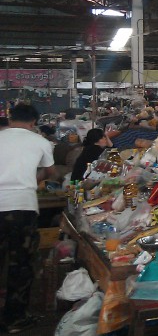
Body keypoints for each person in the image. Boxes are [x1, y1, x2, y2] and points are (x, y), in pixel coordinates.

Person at [0, 103, 55, 334]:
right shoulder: (40, 141)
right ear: (33, 122)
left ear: (10, 118)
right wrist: (33, 178)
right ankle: (15, 319)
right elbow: (50, 172)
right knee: (21, 264)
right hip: (22, 207)